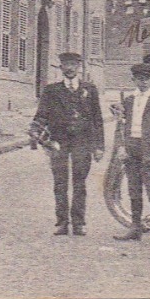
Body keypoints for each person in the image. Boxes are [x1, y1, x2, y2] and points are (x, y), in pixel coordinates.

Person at [31, 52, 106, 236]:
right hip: (59, 141)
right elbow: (42, 114)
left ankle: (79, 222)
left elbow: (97, 119)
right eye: (66, 64)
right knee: (60, 182)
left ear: (79, 67)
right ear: (61, 67)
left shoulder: (90, 89)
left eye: (73, 64)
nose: (70, 68)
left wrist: (98, 146)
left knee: (79, 182)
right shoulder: (51, 90)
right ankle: (62, 222)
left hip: (82, 141)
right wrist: (35, 130)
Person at [110, 61, 150, 242]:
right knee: (133, 189)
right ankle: (135, 227)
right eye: (139, 79)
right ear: (134, 80)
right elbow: (120, 126)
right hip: (131, 148)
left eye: (146, 79)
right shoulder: (129, 100)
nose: (142, 82)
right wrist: (121, 146)